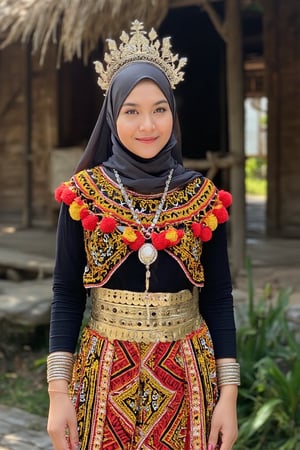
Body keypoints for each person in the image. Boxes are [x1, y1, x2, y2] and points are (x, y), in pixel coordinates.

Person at [47, 20, 239, 450]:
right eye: (131, 110)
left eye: (159, 108)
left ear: (174, 111)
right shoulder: (83, 196)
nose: (147, 124)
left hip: (188, 378)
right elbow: (66, 292)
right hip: (101, 379)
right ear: (113, 116)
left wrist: (228, 393)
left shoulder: (204, 199)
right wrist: (58, 393)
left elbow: (218, 296)